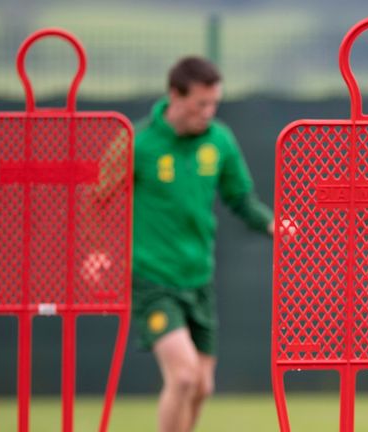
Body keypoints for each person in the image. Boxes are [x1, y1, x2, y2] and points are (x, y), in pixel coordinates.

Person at [123, 56, 273, 432]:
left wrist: (272, 225)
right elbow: (97, 198)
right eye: (199, 104)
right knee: (184, 377)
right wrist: (96, 251)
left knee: (202, 386)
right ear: (175, 95)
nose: (207, 113)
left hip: (198, 277)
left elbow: (241, 198)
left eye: (213, 104)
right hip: (152, 278)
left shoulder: (220, 140)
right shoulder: (138, 143)